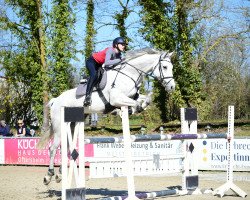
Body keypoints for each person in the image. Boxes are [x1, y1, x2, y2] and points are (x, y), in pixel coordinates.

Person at [83, 37, 127, 107]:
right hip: (91, 61)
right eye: (122, 44)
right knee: (94, 74)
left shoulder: (119, 55)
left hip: (99, 64)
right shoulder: (110, 50)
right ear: (116, 45)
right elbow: (107, 62)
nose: (123, 46)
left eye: (124, 44)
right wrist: (120, 60)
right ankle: (87, 96)